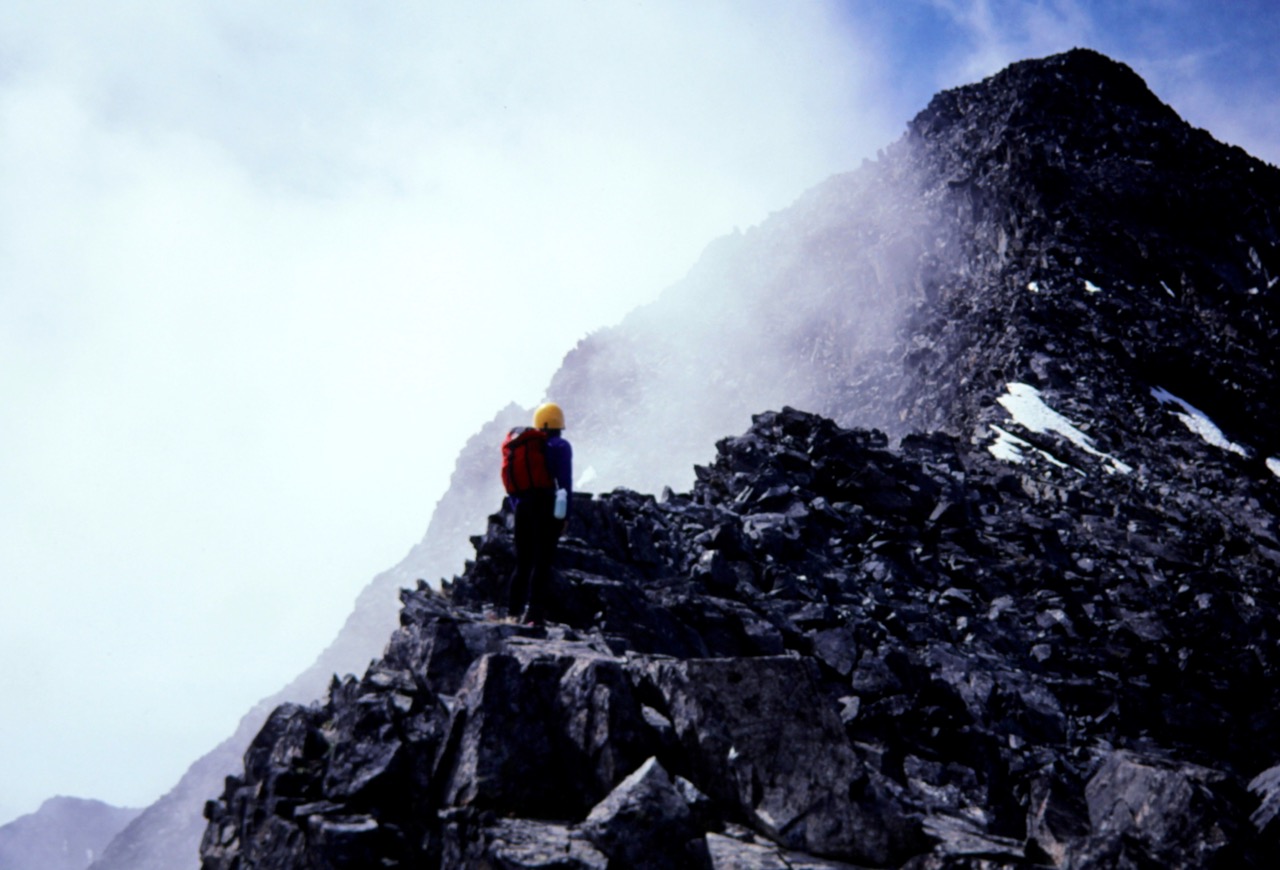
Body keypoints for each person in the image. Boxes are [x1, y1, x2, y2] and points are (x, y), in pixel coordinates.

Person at [506, 401, 572, 624]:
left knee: (523, 562)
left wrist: (518, 509)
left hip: (523, 507)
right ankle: (533, 613)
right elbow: (564, 483)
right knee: (542, 562)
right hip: (545, 505)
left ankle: (512, 613)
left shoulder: (526, 447)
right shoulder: (559, 446)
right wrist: (564, 516)